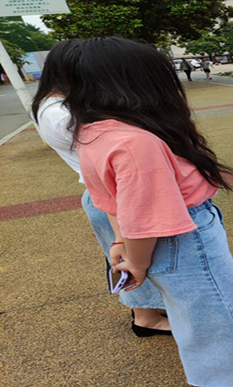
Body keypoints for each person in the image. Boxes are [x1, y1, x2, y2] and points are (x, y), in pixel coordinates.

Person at [50, 37, 233, 387]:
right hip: (182, 234)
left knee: (197, 314)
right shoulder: (135, 142)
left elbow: (111, 198)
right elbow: (146, 217)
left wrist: (120, 242)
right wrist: (136, 260)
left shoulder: (92, 131)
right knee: (222, 314)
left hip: (158, 238)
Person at [31, 40, 171, 338]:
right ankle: (145, 318)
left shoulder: (54, 104)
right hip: (111, 199)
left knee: (130, 259)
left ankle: (149, 311)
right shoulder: (64, 114)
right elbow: (110, 165)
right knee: (129, 262)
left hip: (107, 195)